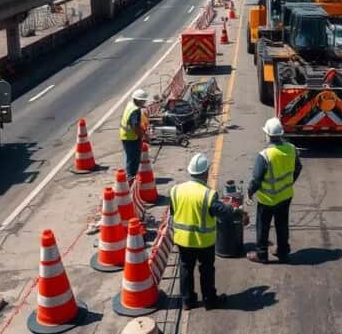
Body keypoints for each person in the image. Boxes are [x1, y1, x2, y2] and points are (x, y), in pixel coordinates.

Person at [169, 153, 248, 310]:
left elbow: (173, 212)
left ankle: (187, 300)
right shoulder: (208, 195)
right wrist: (241, 213)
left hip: (182, 240)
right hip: (203, 242)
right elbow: (224, 212)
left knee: (185, 268)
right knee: (206, 270)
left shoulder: (175, 190)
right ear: (206, 173)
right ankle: (210, 300)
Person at [246, 118, 302, 263]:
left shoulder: (264, 156)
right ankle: (283, 253)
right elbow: (298, 168)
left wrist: (250, 192)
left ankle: (262, 254)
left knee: (262, 227)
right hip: (285, 197)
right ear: (281, 134)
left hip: (267, 200)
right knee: (282, 225)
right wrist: (289, 183)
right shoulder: (291, 149)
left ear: (268, 135)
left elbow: (256, 179)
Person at [119, 89, 150, 180]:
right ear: (138, 100)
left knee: (132, 157)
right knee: (133, 158)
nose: (144, 102)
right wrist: (143, 136)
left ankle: (131, 175)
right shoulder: (135, 110)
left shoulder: (130, 104)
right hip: (130, 138)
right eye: (143, 100)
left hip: (126, 135)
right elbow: (135, 127)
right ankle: (130, 178)